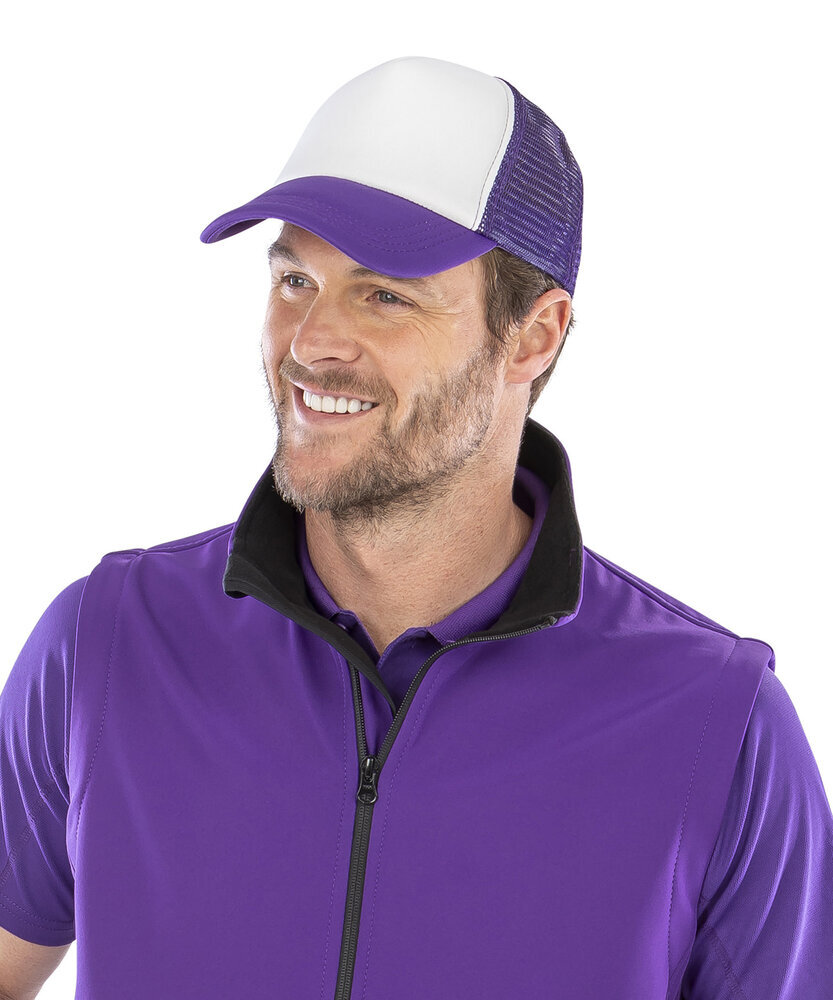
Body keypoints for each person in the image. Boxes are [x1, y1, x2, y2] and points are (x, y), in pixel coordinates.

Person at [0, 55, 831, 1000]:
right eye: (295, 279)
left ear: (534, 336)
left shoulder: (715, 726)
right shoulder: (108, 646)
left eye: (385, 293)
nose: (311, 342)